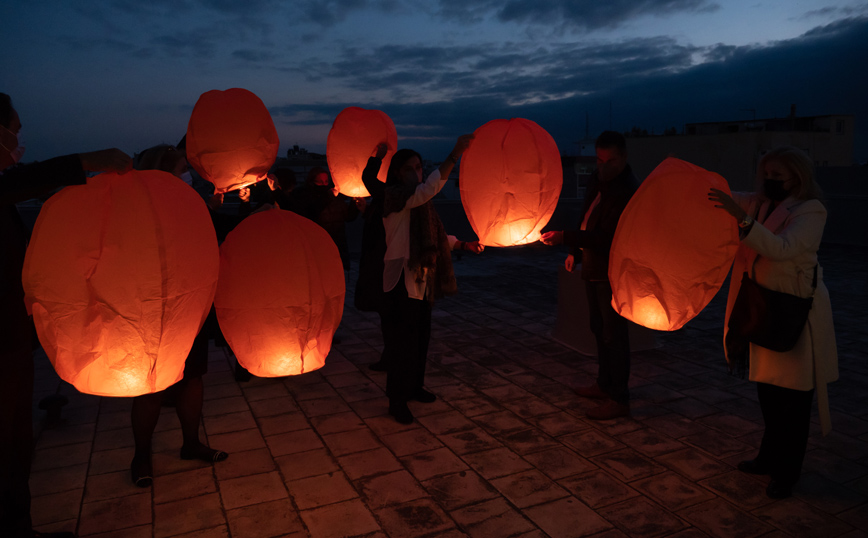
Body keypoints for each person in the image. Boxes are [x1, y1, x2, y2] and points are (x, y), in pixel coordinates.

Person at [1, 92, 132, 538]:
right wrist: (91, 160)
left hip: (11, 341)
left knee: (16, 441)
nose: (19, 140)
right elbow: (20, 180)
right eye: (15, 130)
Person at [708, 146, 838, 499]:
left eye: (777, 176)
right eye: (766, 175)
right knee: (768, 392)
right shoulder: (761, 202)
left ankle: (787, 471)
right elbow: (722, 198)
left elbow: (782, 248)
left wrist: (743, 220)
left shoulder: (811, 210)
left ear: (797, 177)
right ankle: (768, 457)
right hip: (762, 309)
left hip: (793, 314)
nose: (770, 181)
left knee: (793, 401)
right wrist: (690, 179)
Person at [128, 144, 228, 488]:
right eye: (183, 167)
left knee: (192, 376)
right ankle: (141, 454)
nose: (188, 173)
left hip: (191, 302)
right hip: (152, 306)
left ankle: (191, 443)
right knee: (152, 382)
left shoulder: (190, 203)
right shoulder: (138, 205)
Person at [381, 136, 483, 424]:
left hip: (422, 279)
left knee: (421, 339)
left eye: (419, 167)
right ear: (399, 173)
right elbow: (429, 189)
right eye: (411, 168)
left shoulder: (421, 205)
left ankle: (414, 387)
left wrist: (463, 244)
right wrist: (454, 155)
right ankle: (396, 399)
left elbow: (437, 236)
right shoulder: (396, 197)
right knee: (402, 343)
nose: (418, 173)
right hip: (402, 278)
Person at [540, 131, 638, 420]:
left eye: (611, 161)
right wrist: (576, 251)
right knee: (599, 329)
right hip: (593, 268)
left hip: (612, 272)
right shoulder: (598, 181)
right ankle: (604, 384)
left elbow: (606, 236)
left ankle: (619, 398)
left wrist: (563, 238)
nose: (604, 166)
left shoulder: (626, 190)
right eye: (599, 160)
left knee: (614, 335)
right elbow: (587, 216)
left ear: (624, 158)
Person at [355, 143, 392, 372]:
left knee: (390, 315)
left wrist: (378, 156)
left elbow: (368, 177)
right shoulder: (388, 199)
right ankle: (390, 355)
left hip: (385, 262)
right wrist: (365, 212)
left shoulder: (392, 194)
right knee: (387, 314)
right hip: (380, 260)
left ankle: (391, 357)